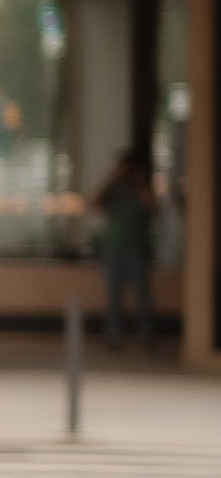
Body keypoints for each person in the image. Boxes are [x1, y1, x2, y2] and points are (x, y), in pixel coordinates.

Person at [94, 148, 156, 346]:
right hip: (113, 251)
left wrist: (139, 180)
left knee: (142, 297)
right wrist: (113, 176)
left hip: (136, 252)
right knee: (113, 296)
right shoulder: (114, 191)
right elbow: (93, 202)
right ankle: (114, 333)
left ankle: (146, 333)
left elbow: (151, 207)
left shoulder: (141, 191)